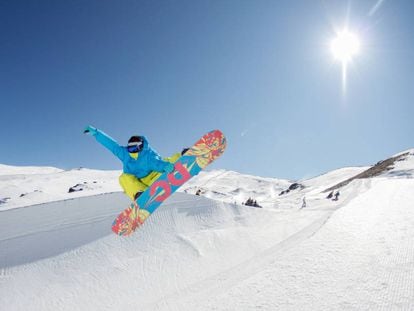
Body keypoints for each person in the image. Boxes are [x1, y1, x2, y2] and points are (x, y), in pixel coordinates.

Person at [84, 125, 181, 201]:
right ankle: (141, 194)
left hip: (156, 176)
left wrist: (165, 167)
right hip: (141, 183)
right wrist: (96, 133)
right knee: (123, 178)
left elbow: (156, 163)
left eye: (135, 148)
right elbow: (111, 145)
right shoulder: (125, 154)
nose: (132, 151)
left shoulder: (147, 153)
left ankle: (183, 156)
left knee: (167, 161)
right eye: (130, 148)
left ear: (141, 146)